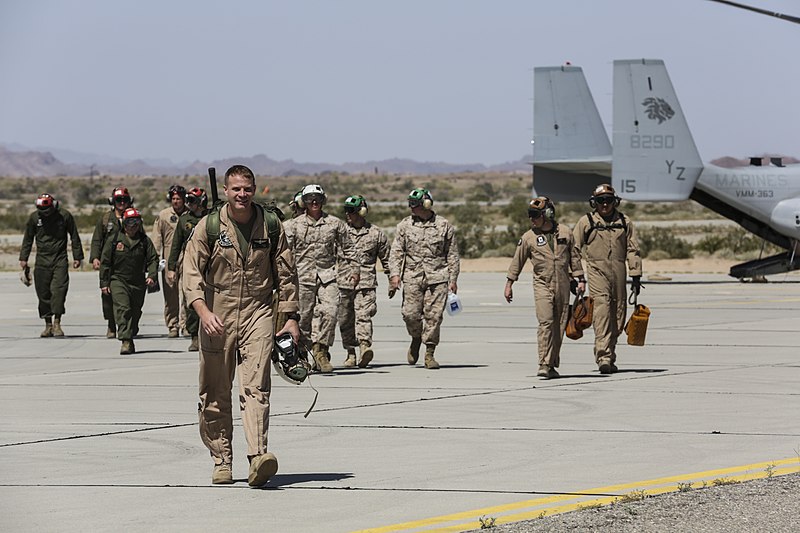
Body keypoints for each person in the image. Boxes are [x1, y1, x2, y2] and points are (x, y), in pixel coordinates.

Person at [182, 164, 300, 487]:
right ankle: (222, 459)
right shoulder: (209, 227)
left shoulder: (271, 225)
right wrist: (204, 313)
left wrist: (289, 317)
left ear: (254, 188)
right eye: (236, 189)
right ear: (226, 191)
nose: (242, 195)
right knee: (215, 390)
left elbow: (287, 274)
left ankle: (258, 456)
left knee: (256, 386)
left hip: (258, 311)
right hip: (216, 313)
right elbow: (190, 274)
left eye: (247, 189)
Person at [504, 197, 585, 379]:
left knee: (560, 324)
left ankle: (552, 363)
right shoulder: (528, 237)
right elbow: (518, 261)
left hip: (563, 284)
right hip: (542, 284)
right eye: (530, 215)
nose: (531, 219)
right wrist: (510, 283)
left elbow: (575, 258)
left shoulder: (565, 233)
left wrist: (580, 279)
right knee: (546, 323)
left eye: (535, 215)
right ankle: (543, 362)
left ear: (547, 214)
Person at [572, 184, 643, 374]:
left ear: (615, 202)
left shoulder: (624, 221)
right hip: (597, 271)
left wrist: (635, 275)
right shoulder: (586, 222)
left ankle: (610, 355)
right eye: (601, 201)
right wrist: (576, 275)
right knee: (602, 312)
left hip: (619, 272)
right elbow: (574, 249)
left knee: (618, 315)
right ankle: (603, 357)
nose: (605, 205)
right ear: (594, 203)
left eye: (609, 200)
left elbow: (632, 249)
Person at [288, 184, 358, 374]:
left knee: (331, 311)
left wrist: (355, 269)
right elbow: (283, 253)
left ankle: (321, 350)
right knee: (303, 319)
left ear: (323, 200)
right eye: (310, 198)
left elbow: (349, 247)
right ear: (304, 201)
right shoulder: (293, 225)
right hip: (302, 277)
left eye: (317, 197)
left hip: (327, 275)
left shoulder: (335, 223)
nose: (314, 201)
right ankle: (304, 354)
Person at [389, 188, 460, 370]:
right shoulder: (404, 226)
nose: (412, 209)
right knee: (410, 314)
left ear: (427, 205)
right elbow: (396, 252)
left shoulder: (444, 226)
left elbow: (452, 255)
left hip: (438, 277)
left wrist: (453, 279)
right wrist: (395, 275)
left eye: (416, 205)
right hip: (412, 277)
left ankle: (429, 352)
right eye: (410, 205)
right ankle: (415, 337)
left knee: (434, 317)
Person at [336, 195, 391, 368]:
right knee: (345, 319)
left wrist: (392, 279)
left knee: (363, 316)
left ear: (362, 211)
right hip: (343, 283)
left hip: (366, 284)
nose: (348, 214)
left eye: (351, 211)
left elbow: (387, 259)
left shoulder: (376, 234)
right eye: (346, 211)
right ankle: (350, 353)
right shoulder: (340, 232)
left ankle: (365, 347)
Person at [19, 194, 84, 337]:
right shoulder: (35, 218)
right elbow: (28, 238)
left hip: (59, 259)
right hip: (42, 260)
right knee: (43, 294)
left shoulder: (64, 216)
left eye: (47, 209)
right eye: (42, 210)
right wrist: (23, 258)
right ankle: (48, 324)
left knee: (59, 291)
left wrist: (77, 257)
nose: (45, 212)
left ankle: (57, 323)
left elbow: (74, 236)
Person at [99, 207, 159, 355]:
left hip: (138, 282)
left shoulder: (145, 241)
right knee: (123, 309)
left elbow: (153, 259)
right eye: (130, 222)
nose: (133, 226)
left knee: (135, 311)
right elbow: (105, 262)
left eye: (136, 222)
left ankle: (131, 334)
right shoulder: (114, 240)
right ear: (124, 224)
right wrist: (104, 283)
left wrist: (151, 276)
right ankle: (125, 340)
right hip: (118, 280)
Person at [167, 187, 209, 352]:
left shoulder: (211, 218)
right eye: (188, 200)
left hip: (211, 264)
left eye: (192, 200)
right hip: (190, 263)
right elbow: (175, 245)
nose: (188, 204)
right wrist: (171, 268)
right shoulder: (184, 220)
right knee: (191, 299)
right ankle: (195, 336)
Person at [90, 187, 132, 338]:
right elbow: (97, 240)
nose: (121, 203)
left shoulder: (133, 217)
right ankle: (111, 324)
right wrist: (95, 258)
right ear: (112, 202)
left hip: (127, 263)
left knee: (129, 296)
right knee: (107, 294)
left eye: (124, 200)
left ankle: (128, 325)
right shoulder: (106, 219)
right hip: (109, 264)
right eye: (118, 200)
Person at [152, 184, 187, 338]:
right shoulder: (164, 216)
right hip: (168, 258)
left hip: (187, 256)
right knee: (170, 294)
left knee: (187, 292)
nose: (176, 201)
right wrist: (154, 259)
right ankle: (173, 325)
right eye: (173, 198)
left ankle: (186, 325)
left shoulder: (190, 215)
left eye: (178, 198)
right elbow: (156, 238)